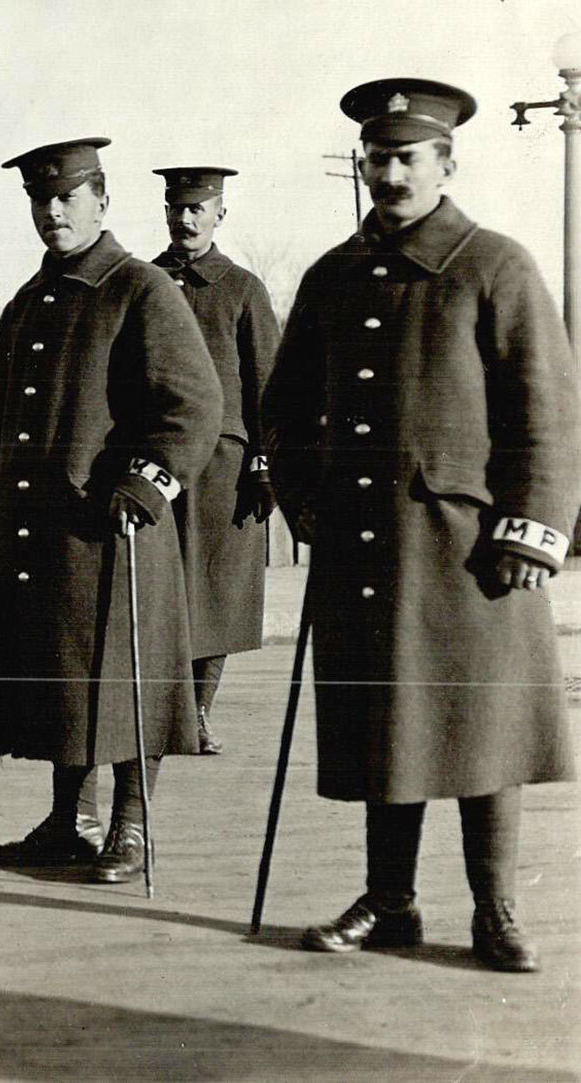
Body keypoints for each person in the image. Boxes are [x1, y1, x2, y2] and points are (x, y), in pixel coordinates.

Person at [265, 79, 580, 973]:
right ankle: (390, 900)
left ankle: (497, 909)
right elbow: (282, 409)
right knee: (385, 724)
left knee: (486, 731)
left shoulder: (496, 265)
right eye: (376, 155)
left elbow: (548, 413)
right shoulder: (332, 275)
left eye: (408, 156)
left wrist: (532, 527)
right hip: (368, 549)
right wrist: (307, 499)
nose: (389, 172)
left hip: (472, 552)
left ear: (448, 163)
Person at [0, 138, 221, 882]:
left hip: (116, 527)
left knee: (124, 680)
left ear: (102, 202)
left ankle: (131, 825)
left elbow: (195, 405)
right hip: (41, 528)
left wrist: (148, 482)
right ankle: (68, 821)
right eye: (40, 200)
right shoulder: (26, 301)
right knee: (62, 678)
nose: (53, 212)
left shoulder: (139, 287)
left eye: (68, 198)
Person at [149, 167, 281, 753]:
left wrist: (266, 462)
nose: (186, 219)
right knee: (155, 584)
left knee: (216, 590)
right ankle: (158, 712)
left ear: (219, 214)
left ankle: (198, 712)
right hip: (151, 459)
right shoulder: (143, 282)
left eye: (198, 208)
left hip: (223, 467)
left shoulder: (242, 288)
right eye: (178, 208)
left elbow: (269, 386)